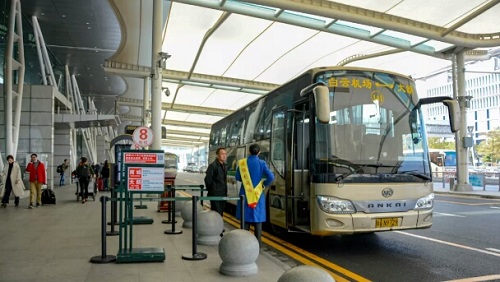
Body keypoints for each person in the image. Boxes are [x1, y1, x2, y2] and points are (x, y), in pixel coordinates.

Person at [235, 144, 275, 246]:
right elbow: (271, 177)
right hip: (257, 194)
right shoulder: (262, 163)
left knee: (245, 219)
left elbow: (238, 177)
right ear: (259, 152)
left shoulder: (242, 163)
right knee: (258, 220)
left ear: (249, 151)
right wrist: (263, 185)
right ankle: (257, 244)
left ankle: (243, 243)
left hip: (245, 194)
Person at [204, 148, 228, 218]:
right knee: (216, 213)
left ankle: (219, 228)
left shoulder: (224, 166)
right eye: (222, 154)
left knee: (221, 213)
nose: (224, 156)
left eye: (225, 154)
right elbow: (207, 179)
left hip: (223, 193)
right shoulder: (213, 165)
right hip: (215, 194)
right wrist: (212, 190)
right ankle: (216, 228)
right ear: (217, 155)